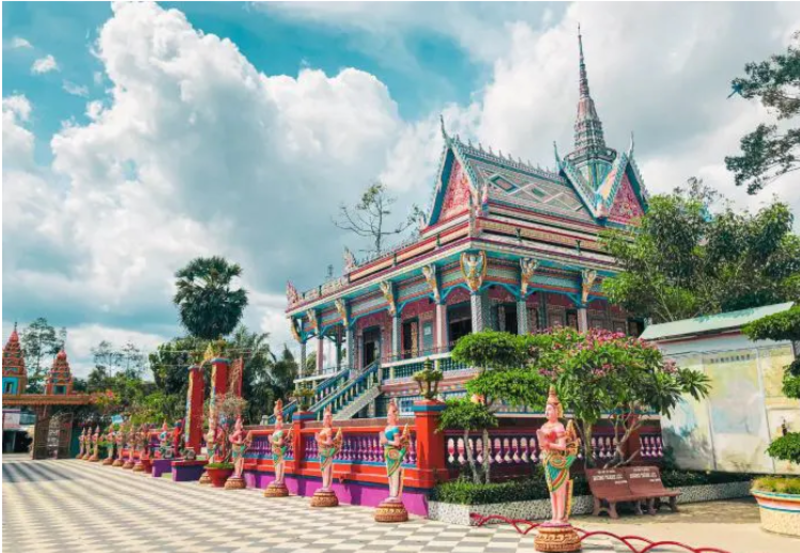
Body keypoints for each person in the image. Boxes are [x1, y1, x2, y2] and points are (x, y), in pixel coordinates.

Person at [536, 386, 580, 524]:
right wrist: (543, 445)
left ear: (557, 410)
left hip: (559, 462)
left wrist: (550, 445)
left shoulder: (559, 426)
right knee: (552, 492)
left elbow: (562, 446)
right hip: (548, 461)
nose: (547, 411)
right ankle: (554, 517)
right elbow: (543, 445)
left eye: (549, 409)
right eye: (546, 409)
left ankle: (560, 517)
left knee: (560, 492)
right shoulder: (544, 426)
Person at [380, 400, 409, 503]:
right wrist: (382, 440)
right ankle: (391, 494)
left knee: (395, 475)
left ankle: (395, 495)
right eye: (387, 415)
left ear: (394, 416)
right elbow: (385, 442)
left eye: (389, 415)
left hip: (394, 454)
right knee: (390, 475)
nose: (387, 417)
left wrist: (386, 441)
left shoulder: (395, 429)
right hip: (388, 453)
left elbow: (397, 443)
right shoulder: (387, 427)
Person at [316, 406, 342, 491]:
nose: (326, 418)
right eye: (325, 416)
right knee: (323, 470)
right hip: (322, 452)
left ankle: (326, 486)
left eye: (328, 417)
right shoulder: (324, 429)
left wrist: (319, 440)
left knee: (327, 470)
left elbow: (329, 442)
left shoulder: (328, 430)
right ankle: (325, 486)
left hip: (327, 452)